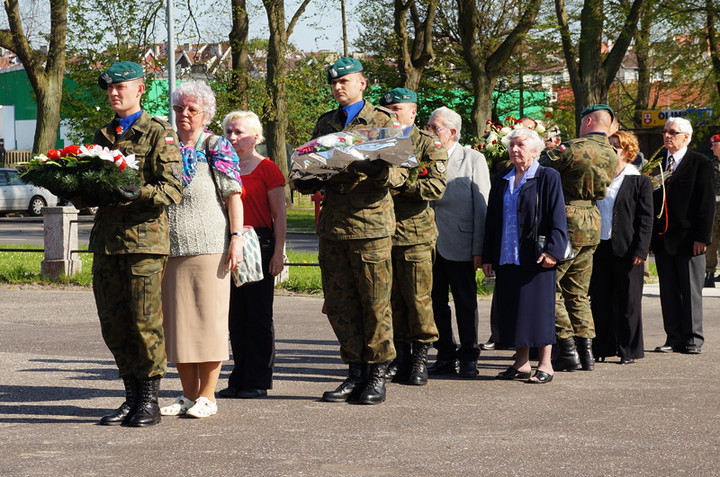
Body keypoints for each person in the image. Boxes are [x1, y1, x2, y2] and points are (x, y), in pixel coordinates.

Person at [292, 57, 407, 405]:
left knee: (374, 303)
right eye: (334, 83)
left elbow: (402, 175)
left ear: (362, 83)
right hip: (334, 223)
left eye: (345, 81)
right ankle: (355, 371)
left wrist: (376, 170)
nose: (339, 87)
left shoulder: (383, 120)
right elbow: (309, 165)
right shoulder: (326, 122)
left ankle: (376, 373)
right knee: (340, 304)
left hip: (370, 222)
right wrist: (306, 176)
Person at [91, 61, 183, 427]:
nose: (114, 93)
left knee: (144, 322)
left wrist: (138, 192)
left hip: (144, 243)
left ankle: (149, 399)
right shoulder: (102, 136)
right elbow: (94, 185)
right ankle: (130, 397)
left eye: (121, 87)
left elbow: (173, 189)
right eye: (110, 89)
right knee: (113, 323)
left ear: (140, 89)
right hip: (107, 242)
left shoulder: (159, 132)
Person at [159, 81, 244, 418]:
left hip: (211, 247)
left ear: (205, 114)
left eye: (192, 109)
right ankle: (188, 395)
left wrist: (235, 238)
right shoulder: (165, 147)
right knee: (179, 325)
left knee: (208, 322)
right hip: (171, 249)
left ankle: (208, 396)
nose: (184, 114)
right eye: (180, 108)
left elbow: (233, 195)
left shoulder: (217, 146)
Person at [482, 128, 567, 384]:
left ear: (535, 149)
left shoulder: (547, 176)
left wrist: (554, 250)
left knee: (538, 311)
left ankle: (545, 364)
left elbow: (557, 215)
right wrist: (488, 255)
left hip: (536, 256)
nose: (514, 150)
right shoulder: (502, 178)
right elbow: (492, 220)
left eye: (520, 145)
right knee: (514, 310)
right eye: (512, 145)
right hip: (508, 255)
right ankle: (521, 364)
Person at [378, 88, 447, 386]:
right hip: (381, 232)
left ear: (413, 112)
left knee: (417, 299)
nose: (392, 114)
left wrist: (396, 187)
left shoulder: (427, 143)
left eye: (398, 108)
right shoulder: (377, 141)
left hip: (415, 234)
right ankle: (400, 357)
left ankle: (420, 358)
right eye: (388, 109)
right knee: (389, 301)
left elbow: (434, 188)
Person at [544, 104, 617, 372]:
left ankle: (567, 348)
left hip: (567, 218)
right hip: (593, 220)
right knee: (578, 292)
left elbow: (539, 166)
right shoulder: (612, 152)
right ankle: (586, 353)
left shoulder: (572, 148)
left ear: (587, 121)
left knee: (548, 285)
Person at [219, 110, 287, 399]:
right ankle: (239, 376)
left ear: (256, 137)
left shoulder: (267, 168)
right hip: (231, 242)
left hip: (260, 242)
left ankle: (258, 379)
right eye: (229, 132)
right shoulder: (223, 166)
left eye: (240, 133)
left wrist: (278, 253)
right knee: (235, 315)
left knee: (258, 314)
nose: (233, 138)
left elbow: (280, 214)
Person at [428, 107, 491, 377]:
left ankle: (468, 355)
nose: (428, 132)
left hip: (462, 243)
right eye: (428, 126)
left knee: (466, 302)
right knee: (435, 302)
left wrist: (480, 248)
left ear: (452, 132)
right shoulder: (425, 157)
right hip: (428, 243)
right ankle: (444, 353)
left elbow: (482, 205)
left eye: (434, 128)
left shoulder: (473, 158)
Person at [651, 117, 715, 354]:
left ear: (686, 137)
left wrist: (703, 237)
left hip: (690, 239)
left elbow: (707, 203)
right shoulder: (657, 163)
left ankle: (693, 338)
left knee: (690, 291)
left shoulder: (700, 163)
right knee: (668, 291)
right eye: (665, 132)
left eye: (673, 132)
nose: (667, 136)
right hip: (663, 237)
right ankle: (673, 337)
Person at [589, 131, 653, 364]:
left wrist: (641, 249)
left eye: (614, 148)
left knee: (628, 301)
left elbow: (646, 220)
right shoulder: (598, 177)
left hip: (627, 249)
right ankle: (602, 347)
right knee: (601, 299)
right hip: (600, 246)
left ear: (627, 153)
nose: (609, 151)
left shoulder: (639, 180)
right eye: (608, 147)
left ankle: (628, 350)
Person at [703, 134, 720, 287]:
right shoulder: (711, 165)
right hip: (714, 209)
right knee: (712, 241)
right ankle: (709, 273)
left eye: (715, 145)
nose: (711, 148)